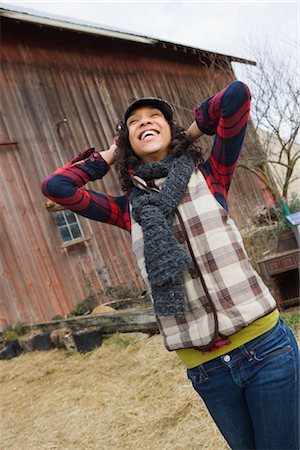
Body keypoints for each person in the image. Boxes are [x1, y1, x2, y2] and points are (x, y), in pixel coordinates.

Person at [42, 80, 299, 450]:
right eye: (134, 122)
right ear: (124, 139)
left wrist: (187, 133)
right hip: (208, 369)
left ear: (169, 127)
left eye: (155, 117)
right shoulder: (126, 210)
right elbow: (56, 187)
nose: (145, 121)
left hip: (266, 348)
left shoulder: (211, 176)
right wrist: (113, 153)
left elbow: (236, 96)